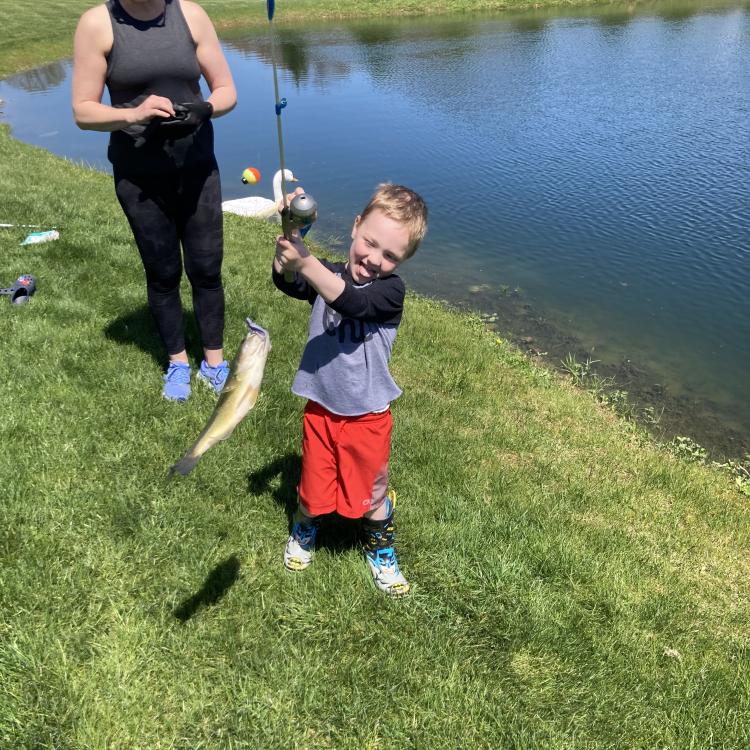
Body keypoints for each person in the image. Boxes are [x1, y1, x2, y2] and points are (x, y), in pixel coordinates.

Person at [72, 0, 237, 401]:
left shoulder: (191, 15)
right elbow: (82, 111)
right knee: (163, 273)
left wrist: (207, 109)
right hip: (140, 177)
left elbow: (227, 90)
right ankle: (178, 362)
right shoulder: (98, 24)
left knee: (206, 268)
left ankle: (214, 362)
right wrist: (134, 115)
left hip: (198, 168)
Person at [273, 183, 428, 596]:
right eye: (370, 242)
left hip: (367, 416)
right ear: (355, 227)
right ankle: (305, 528)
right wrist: (291, 245)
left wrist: (307, 265)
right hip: (321, 407)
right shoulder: (327, 272)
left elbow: (352, 303)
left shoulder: (391, 292)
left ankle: (381, 550)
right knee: (312, 482)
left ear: (403, 260)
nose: (375, 259)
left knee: (372, 493)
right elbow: (290, 282)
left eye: (391, 255)